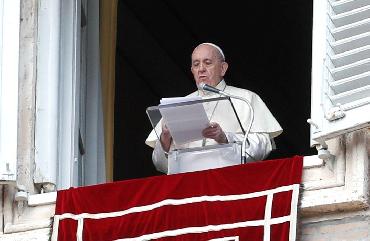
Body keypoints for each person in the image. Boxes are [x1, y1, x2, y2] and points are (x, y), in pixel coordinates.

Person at [145, 43, 283, 174]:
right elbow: (160, 164)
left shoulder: (245, 98)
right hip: (187, 184)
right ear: (192, 71)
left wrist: (225, 138)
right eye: (196, 64)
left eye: (207, 62)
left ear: (223, 68)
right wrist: (165, 138)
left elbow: (264, 146)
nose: (201, 69)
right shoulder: (178, 105)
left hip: (230, 181)